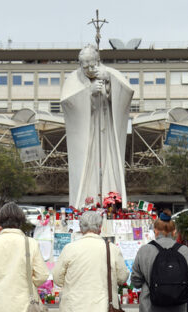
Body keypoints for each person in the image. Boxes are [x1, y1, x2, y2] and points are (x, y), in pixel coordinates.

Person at [53, 211, 128, 312]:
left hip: (75, 311)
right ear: (100, 227)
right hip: (103, 311)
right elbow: (122, 277)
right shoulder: (111, 249)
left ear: (80, 227)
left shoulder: (70, 248)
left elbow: (57, 278)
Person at [61, 45, 134, 208]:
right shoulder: (73, 79)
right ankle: (87, 203)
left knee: (110, 161)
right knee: (88, 166)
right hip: (87, 131)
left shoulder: (112, 74)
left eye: (92, 65)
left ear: (98, 61)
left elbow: (127, 93)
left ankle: (111, 201)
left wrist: (109, 81)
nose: (88, 69)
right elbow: (67, 103)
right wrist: (89, 91)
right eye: (84, 66)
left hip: (107, 129)